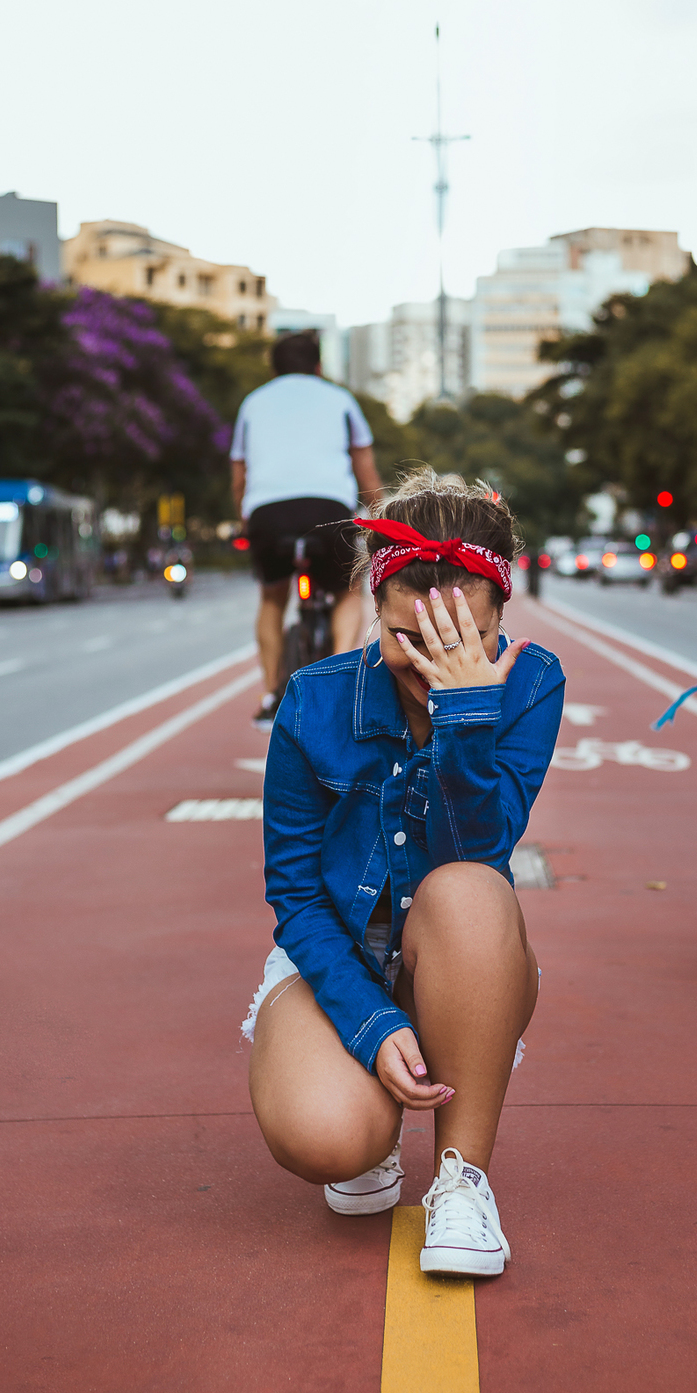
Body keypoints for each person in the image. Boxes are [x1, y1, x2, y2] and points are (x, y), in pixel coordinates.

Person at [242, 473, 565, 1277]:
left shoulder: (530, 683)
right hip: (341, 958)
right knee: (330, 1140)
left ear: (500, 615)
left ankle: (461, 1181)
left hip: (461, 954)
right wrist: (368, 1024)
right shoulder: (314, 700)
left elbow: (475, 851)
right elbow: (297, 893)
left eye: (459, 637)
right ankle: (370, 1121)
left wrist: (464, 716)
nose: (427, 661)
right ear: (373, 610)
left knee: (466, 891)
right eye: (403, 637)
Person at [230, 330, 383, 728]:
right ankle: (341, 682)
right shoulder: (340, 399)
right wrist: (385, 520)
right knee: (349, 590)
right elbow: (364, 471)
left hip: (267, 514)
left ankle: (270, 694)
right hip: (328, 510)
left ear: (274, 369)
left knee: (272, 598)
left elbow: (239, 474)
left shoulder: (253, 403)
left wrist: (247, 520)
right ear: (318, 366)